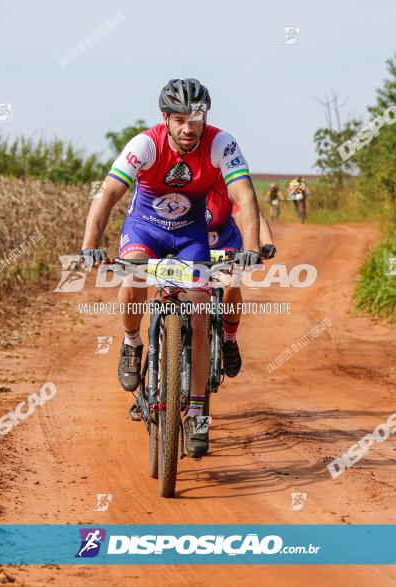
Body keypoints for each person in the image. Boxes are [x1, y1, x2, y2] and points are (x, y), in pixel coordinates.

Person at [79, 79, 261, 458]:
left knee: (197, 309)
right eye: (179, 120)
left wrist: (254, 248)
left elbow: (244, 194)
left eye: (195, 119)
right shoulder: (144, 144)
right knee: (132, 272)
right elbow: (109, 193)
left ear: (205, 117)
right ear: (165, 119)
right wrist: (90, 245)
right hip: (145, 228)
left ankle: (196, 412)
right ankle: (132, 343)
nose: (187, 128)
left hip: (190, 235)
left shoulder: (221, 143)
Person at [205, 177, 276, 379]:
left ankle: (229, 339)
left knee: (231, 285)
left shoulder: (226, 180)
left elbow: (251, 213)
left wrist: (266, 242)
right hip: (189, 242)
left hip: (224, 242)